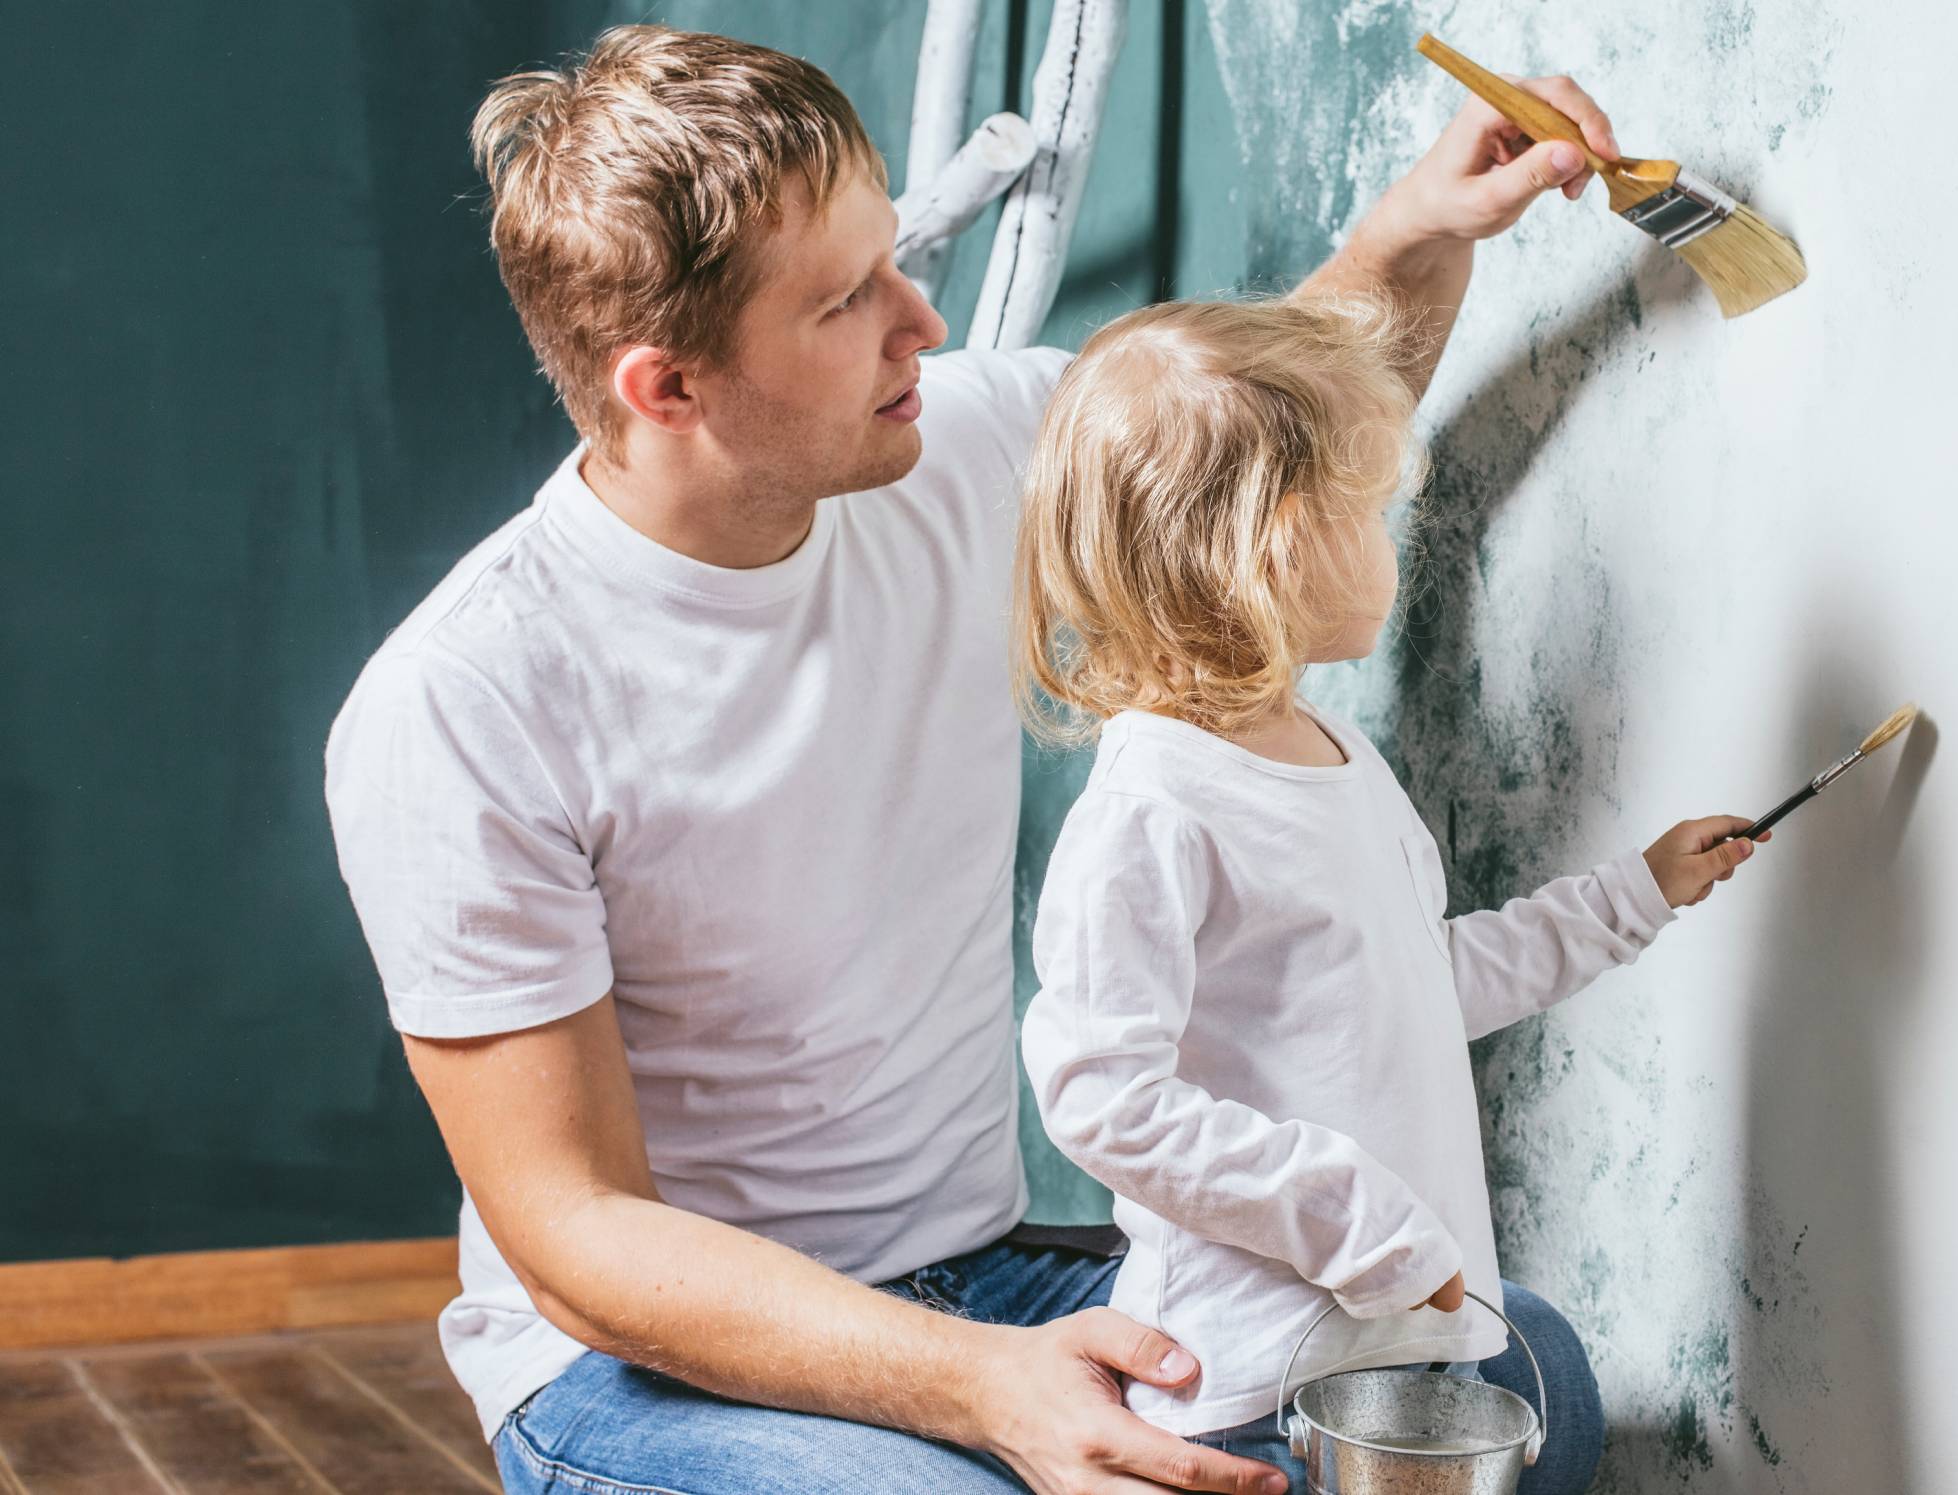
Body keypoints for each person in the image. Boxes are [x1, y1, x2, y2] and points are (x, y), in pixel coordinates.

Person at [321, 22, 1636, 1495]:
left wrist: (1417, 229)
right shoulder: (464, 703)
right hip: (647, 1372)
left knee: (1516, 1368)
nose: (921, 323)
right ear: (665, 388)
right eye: (843, 303)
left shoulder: (955, 442)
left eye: (893, 258)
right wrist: (980, 1389)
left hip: (984, 1271)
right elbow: (579, 1240)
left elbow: (1249, 450)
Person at [1011, 293, 1763, 1493]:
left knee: (1545, 1379)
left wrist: (1632, 896)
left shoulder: (1331, 755)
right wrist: (1348, 1211)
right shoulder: (1155, 804)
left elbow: (1408, 984)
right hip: (1250, 1393)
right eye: (1366, 510)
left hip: (1387, 1354)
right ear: (1274, 545)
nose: (1390, 539)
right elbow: (1100, 1094)